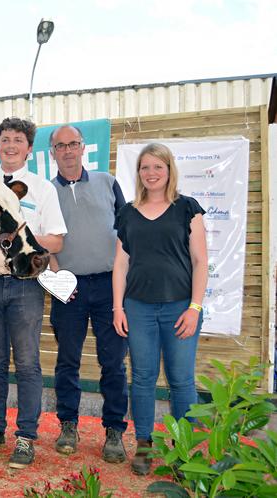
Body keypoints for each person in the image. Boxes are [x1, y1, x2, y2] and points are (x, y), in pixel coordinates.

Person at [0, 117, 66, 468]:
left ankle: (26, 437)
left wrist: (22, 241)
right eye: (5, 139)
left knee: (27, 363)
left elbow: (56, 239)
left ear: (29, 148)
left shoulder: (42, 189)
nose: (10, 145)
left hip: (25, 287)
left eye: (18, 140)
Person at [112, 142, 207, 475]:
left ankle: (186, 451)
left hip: (180, 307)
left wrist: (195, 307)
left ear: (169, 170)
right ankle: (144, 445)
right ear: (138, 173)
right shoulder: (127, 213)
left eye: (157, 167)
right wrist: (117, 308)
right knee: (142, 379)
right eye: (144, 167)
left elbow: (200, 261)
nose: (151, 173)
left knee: (182, 381)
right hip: (138, 309)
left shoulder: (187, 209)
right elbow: (121, 264)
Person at [48, 125, 129, 463]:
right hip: (68, 288)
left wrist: (125, 286)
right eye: (60, 146)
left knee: (113, 362)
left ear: (83, 148)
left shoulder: (108, 183)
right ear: (52, 152)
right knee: (67, 360)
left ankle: (114, 431)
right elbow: (40, 239)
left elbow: (127, 234)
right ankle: (68, 424)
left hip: (110, 285)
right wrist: (56, 280)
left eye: (73, 144)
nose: (68, 151)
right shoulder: (44, 192)